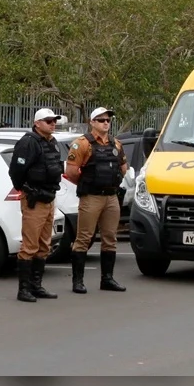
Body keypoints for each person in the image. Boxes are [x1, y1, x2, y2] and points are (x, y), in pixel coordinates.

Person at [64, 107, 128, 293]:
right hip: (91, 196)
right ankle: (78, 281)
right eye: (101, 120)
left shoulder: (116, 144)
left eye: (108, 120)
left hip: (111, 197)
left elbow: (123, 168)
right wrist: (88, 184)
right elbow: (71, 172)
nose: (106, 123)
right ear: (92, 122)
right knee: (83, 238)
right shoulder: (82, 144)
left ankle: (107, 279)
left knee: (110, 238)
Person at [7, 108, 65, 302]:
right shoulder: (28, 142)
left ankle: (36, 286)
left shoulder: (52, 142)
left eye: (54, 121)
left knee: (44, 245)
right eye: (48, 121)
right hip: (35, 199)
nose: (52, 123)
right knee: (30, 245)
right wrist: (25, 189)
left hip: (49, 197)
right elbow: (16, 170)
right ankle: (23, 290)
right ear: (37, 123)